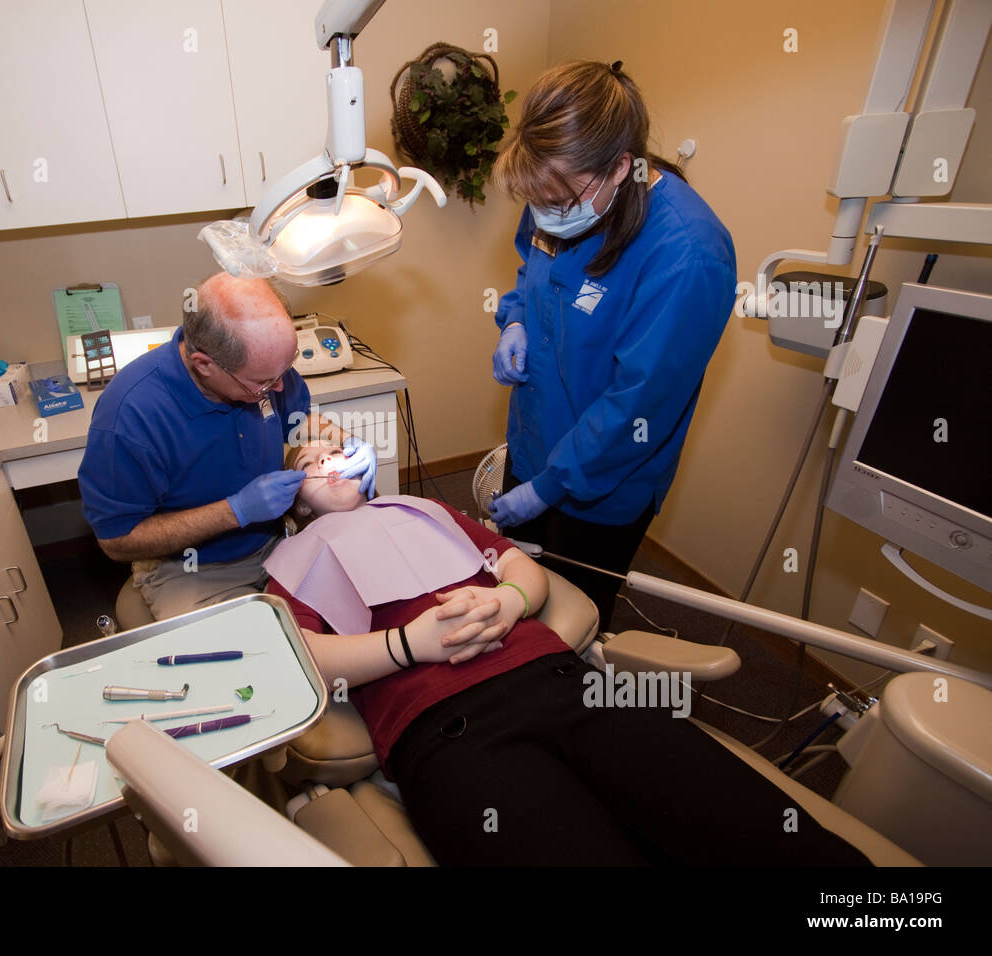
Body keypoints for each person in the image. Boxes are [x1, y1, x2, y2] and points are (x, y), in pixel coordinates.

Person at [264, 441, 870, 866]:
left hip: (567, 683)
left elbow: (520, 566)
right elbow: (305, 655)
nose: (330, 463)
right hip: (447, 732)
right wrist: (407, 643)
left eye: (339, 450)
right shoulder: (293, 566)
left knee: (765, 834)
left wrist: (510, 603)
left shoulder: (428, 511)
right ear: (296, 503)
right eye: (310, 464)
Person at [487, 60, 737, 631]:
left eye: (558, 200)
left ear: (621, 167)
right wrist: (515, 320)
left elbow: (638, 406)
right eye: (539, 199)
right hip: (534, 438)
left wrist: (552, 486)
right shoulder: (565, 192)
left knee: (565, 627)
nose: (545, 212)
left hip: (600, 481)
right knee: (510, 596)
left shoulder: (688, 256)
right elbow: (533, 264)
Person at [78, 273, 377, 621]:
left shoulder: (266, 366)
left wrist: (346, 441)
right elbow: (117, 539)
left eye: (285, 370)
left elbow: (297, 419)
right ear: (204, 364)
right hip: (192, 570)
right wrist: (236, 510)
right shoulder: (129, 417)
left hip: (277, 542)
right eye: (263, 383)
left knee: (349, 615)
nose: (280, 386)